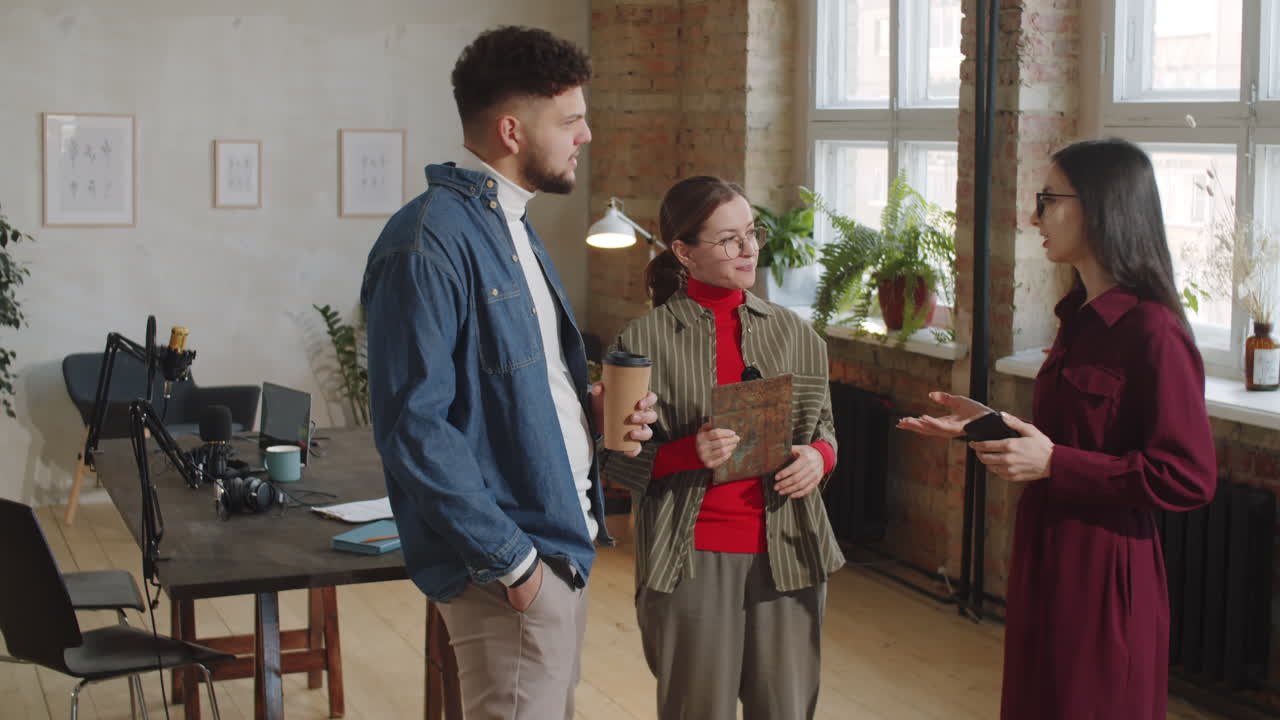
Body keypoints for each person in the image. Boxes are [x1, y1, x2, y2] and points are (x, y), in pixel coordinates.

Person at [360, 26, 657, 720]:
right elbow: (412, 428)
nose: (586, 135)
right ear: (512, 130)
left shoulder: (510, 224)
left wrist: (588, 413)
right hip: (514, 564)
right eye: (571, 120)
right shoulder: (426, 244)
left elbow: (515, 387)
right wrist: (514, 565)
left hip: (562, 543)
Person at [897, 138, 1217, 719]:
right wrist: (987, 424)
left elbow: (1187, 476)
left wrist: (1054, 464)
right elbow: (1069, 437)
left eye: (1048, 199)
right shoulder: (1078, 317)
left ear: (1099, 206)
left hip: (1105, 568)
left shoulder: (1154, 332)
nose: (1034, 216)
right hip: (1046, 550)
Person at [600, 176, 846, 720]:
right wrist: (690, 453)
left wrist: (819, 458)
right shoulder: (642, 342)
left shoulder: (797, 335)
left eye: (751, 233)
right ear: (684, 252)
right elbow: (614, 458)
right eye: (729, 239)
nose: (748, 248)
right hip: (692, 557)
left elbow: (825, 430)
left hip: (789, 553)